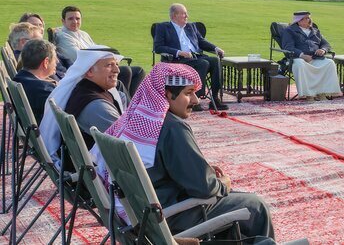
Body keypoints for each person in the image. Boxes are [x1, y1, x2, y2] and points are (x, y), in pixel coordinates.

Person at [91, 63, 276, 242]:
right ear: (168, 94)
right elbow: (204, 187)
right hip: (171, 216)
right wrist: (223, 183)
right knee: (255, 205)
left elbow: (160, 164)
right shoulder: (172, 127)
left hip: (141, 213)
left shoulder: (134, 120)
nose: (195, 101)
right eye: (189, 93)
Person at [39, 47, 129, 168]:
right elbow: (127, 143)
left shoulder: (85, 90)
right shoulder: (96, 106)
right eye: (109, 65)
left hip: (84, 169)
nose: (117, 70)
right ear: (89, 71)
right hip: (100, 174)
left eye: (116, 64)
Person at [53, 5, 146, 94]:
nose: (75, 21)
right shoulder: (63, 36)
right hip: (85, 72)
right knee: (126, 71)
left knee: (139, 71)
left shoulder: (83, 34)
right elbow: (79, 57)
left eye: (77, 18)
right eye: (70, 19)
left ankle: (129, 102)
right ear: (63, 21)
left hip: (99, 67)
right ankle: (124, 104)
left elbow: (99, 49)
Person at [153, 3, 226, 110]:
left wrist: (215, 48)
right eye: (184, 14)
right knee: (203, 63)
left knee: (215, 61)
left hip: (196, 57)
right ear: (174, 16)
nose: (187, 16)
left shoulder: (191, 26)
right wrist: (179, 52)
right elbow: (158, 47)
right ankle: (195, 99)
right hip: (177, 60)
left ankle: (214, 98)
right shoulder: (163, 27)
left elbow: (201, 41)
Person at [280, 11, 341, 100]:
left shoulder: (315, 31)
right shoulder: (289, 31)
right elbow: (288, 47)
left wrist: (323, 50)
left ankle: (322, 93)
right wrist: (301, 55)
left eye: (308, 18)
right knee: (300, 64)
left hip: (315, 57)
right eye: (305, 18)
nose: (308, 20)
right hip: (298, 58)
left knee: (329, 63)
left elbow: (326, 44)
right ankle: (308, 94)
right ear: (298, 20)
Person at [12, 39, 58, 123]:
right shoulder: (43, 90)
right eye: (55, 58)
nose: (57, 62)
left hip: (31, 130)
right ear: (46, 62)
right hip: (46, 132)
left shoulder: (19, 78)